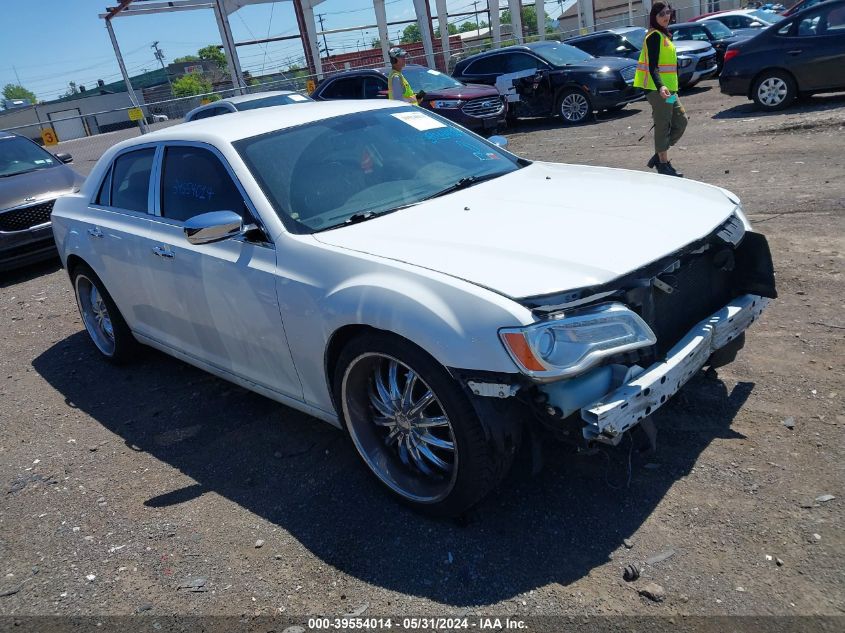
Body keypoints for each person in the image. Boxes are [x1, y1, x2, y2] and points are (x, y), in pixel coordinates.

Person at [633, 2, 688, 177]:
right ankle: (663, 164)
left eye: (667, 13)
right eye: (661, 14)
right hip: (658, 91)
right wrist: (661, 85)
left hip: (670, 92)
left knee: (681, 121)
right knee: (663, 125)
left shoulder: (665, 36)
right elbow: (653, 67)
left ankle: (658, 155)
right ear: (654, 18)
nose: (665, 16)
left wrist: (673, 87)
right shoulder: (654, 36)